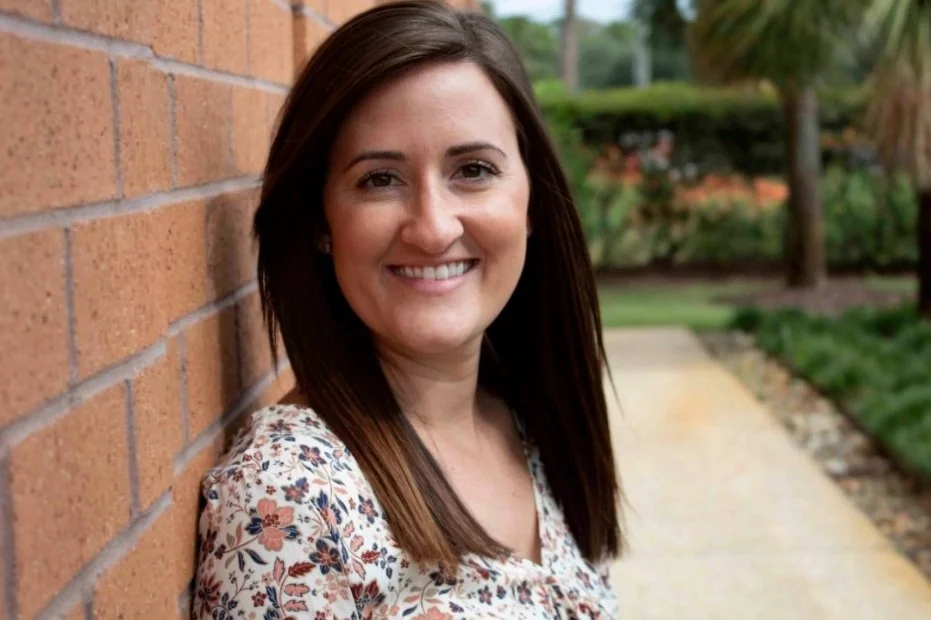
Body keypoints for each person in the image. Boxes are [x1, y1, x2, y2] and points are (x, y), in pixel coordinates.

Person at [192, 1, 624, 617]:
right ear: (321, 220)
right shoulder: (290, 498)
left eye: (473, 170)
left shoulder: (534, 424)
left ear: (531, 200)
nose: (432, 227)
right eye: (379, 180)